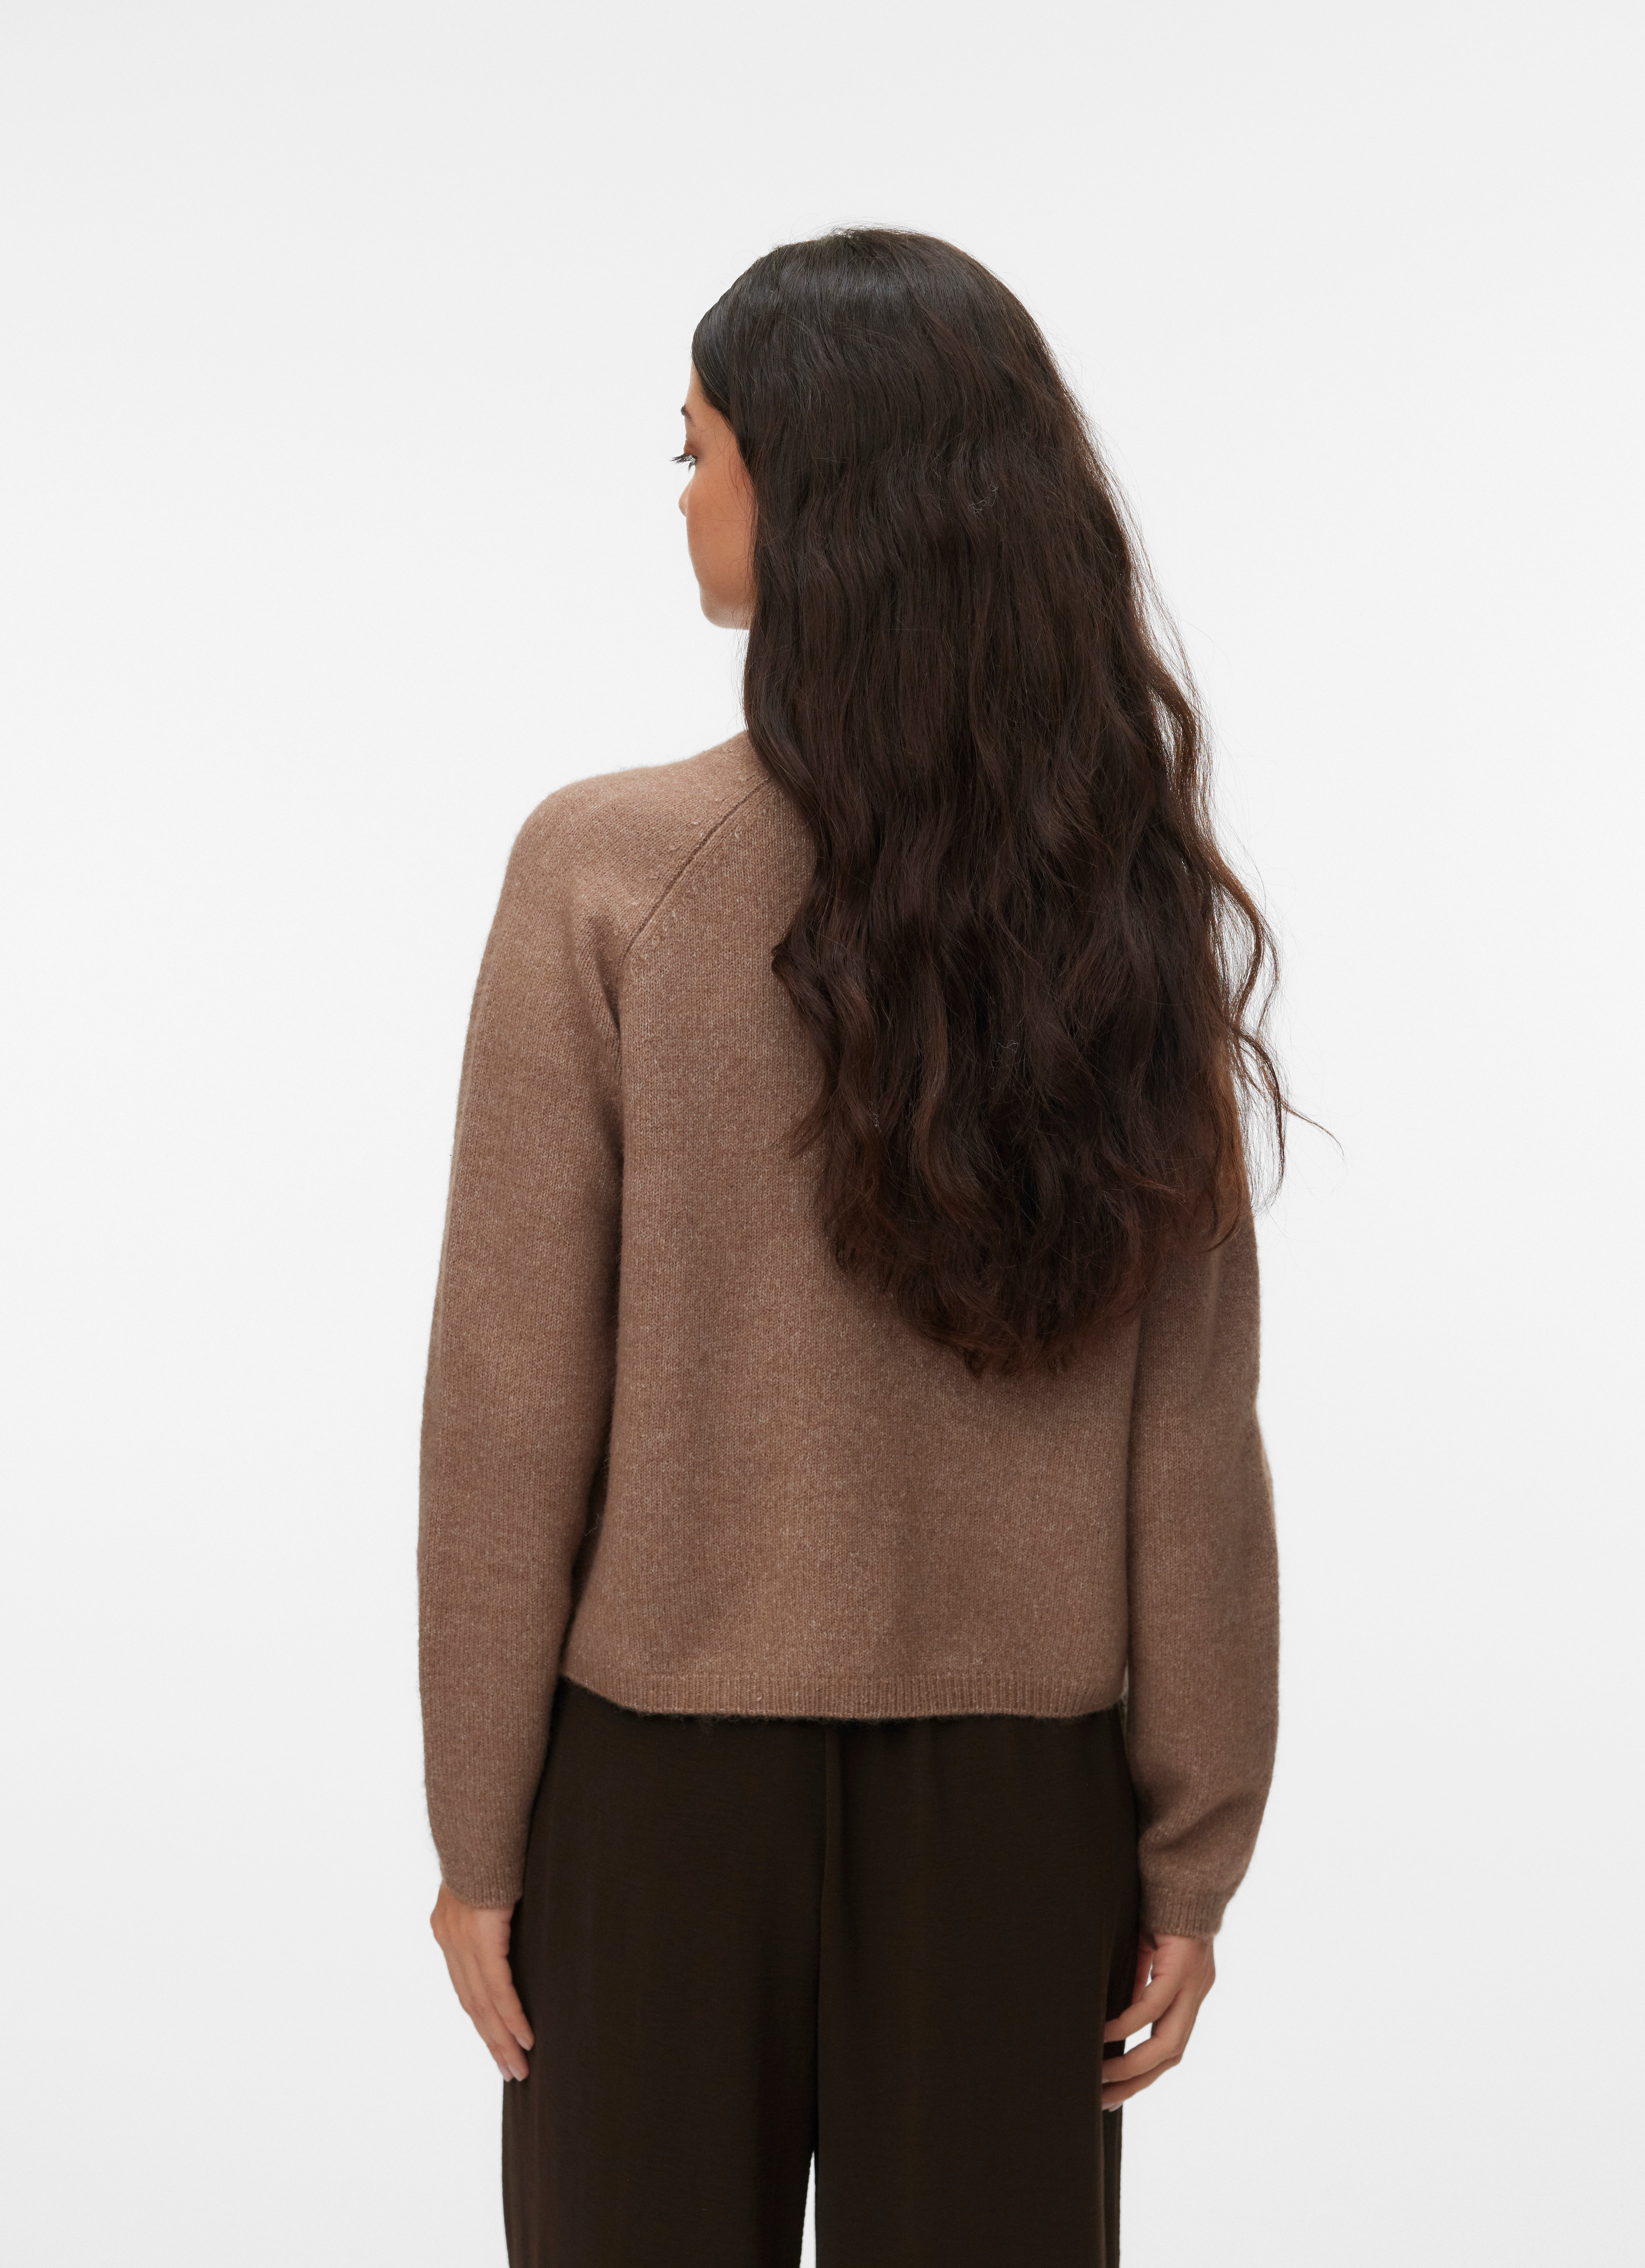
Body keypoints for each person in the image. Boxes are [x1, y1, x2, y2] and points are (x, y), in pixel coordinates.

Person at [419, 227, 1284, 2268]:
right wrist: (1192, 1849)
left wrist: (478, 1829)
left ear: (807, 495)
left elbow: (511, 1397)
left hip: (651, 1798)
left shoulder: (610, 872)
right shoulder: (1113, 900)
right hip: (1024, 1809)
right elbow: (1193, 1427)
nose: (683, 495)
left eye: (697, 448)